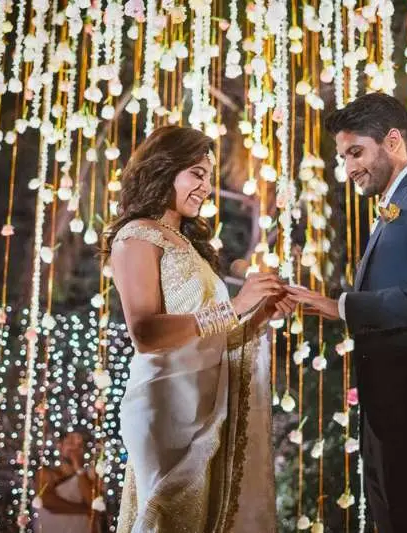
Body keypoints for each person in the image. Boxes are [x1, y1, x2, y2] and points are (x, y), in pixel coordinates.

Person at [287, 93, 407, 533]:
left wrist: (342, 305)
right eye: (343, 157)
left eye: (356, 153)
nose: (348, 168)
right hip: (390, 413)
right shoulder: (392, 210)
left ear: (393, 141)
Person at [105, 125, 292, 532]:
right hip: (165, 406)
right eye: (196, 174)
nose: (206, 187)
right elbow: (145, 334)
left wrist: (257, 314)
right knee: (169, 516)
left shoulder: (190, 246)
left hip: (204, 404)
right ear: (164, 169)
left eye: (208, 177)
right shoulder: (135, 236)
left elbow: (212, 335)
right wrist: (236, 306)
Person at [33, 431, 101, 533]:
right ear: (60, 446)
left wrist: (79, 470)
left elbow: (94, 505)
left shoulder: (91, 474)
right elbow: (47, 501)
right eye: (70, 443)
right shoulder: (46, 473)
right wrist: (84, 510)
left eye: (79, 445)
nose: (74, 448)